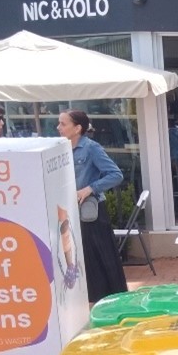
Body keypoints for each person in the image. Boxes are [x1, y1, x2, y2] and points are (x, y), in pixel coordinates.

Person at [56, 109, 128, 302]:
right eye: (59, 123)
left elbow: (116, 174)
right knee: (81, 259)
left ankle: (113, 301)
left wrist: (90, 188)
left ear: (78, 128)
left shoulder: (91, 148)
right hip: (69, 212)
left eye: (63, 124)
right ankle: (88, 301)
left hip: (91, 212)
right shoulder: (59, 149)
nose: (58, 128)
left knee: (100, 257)